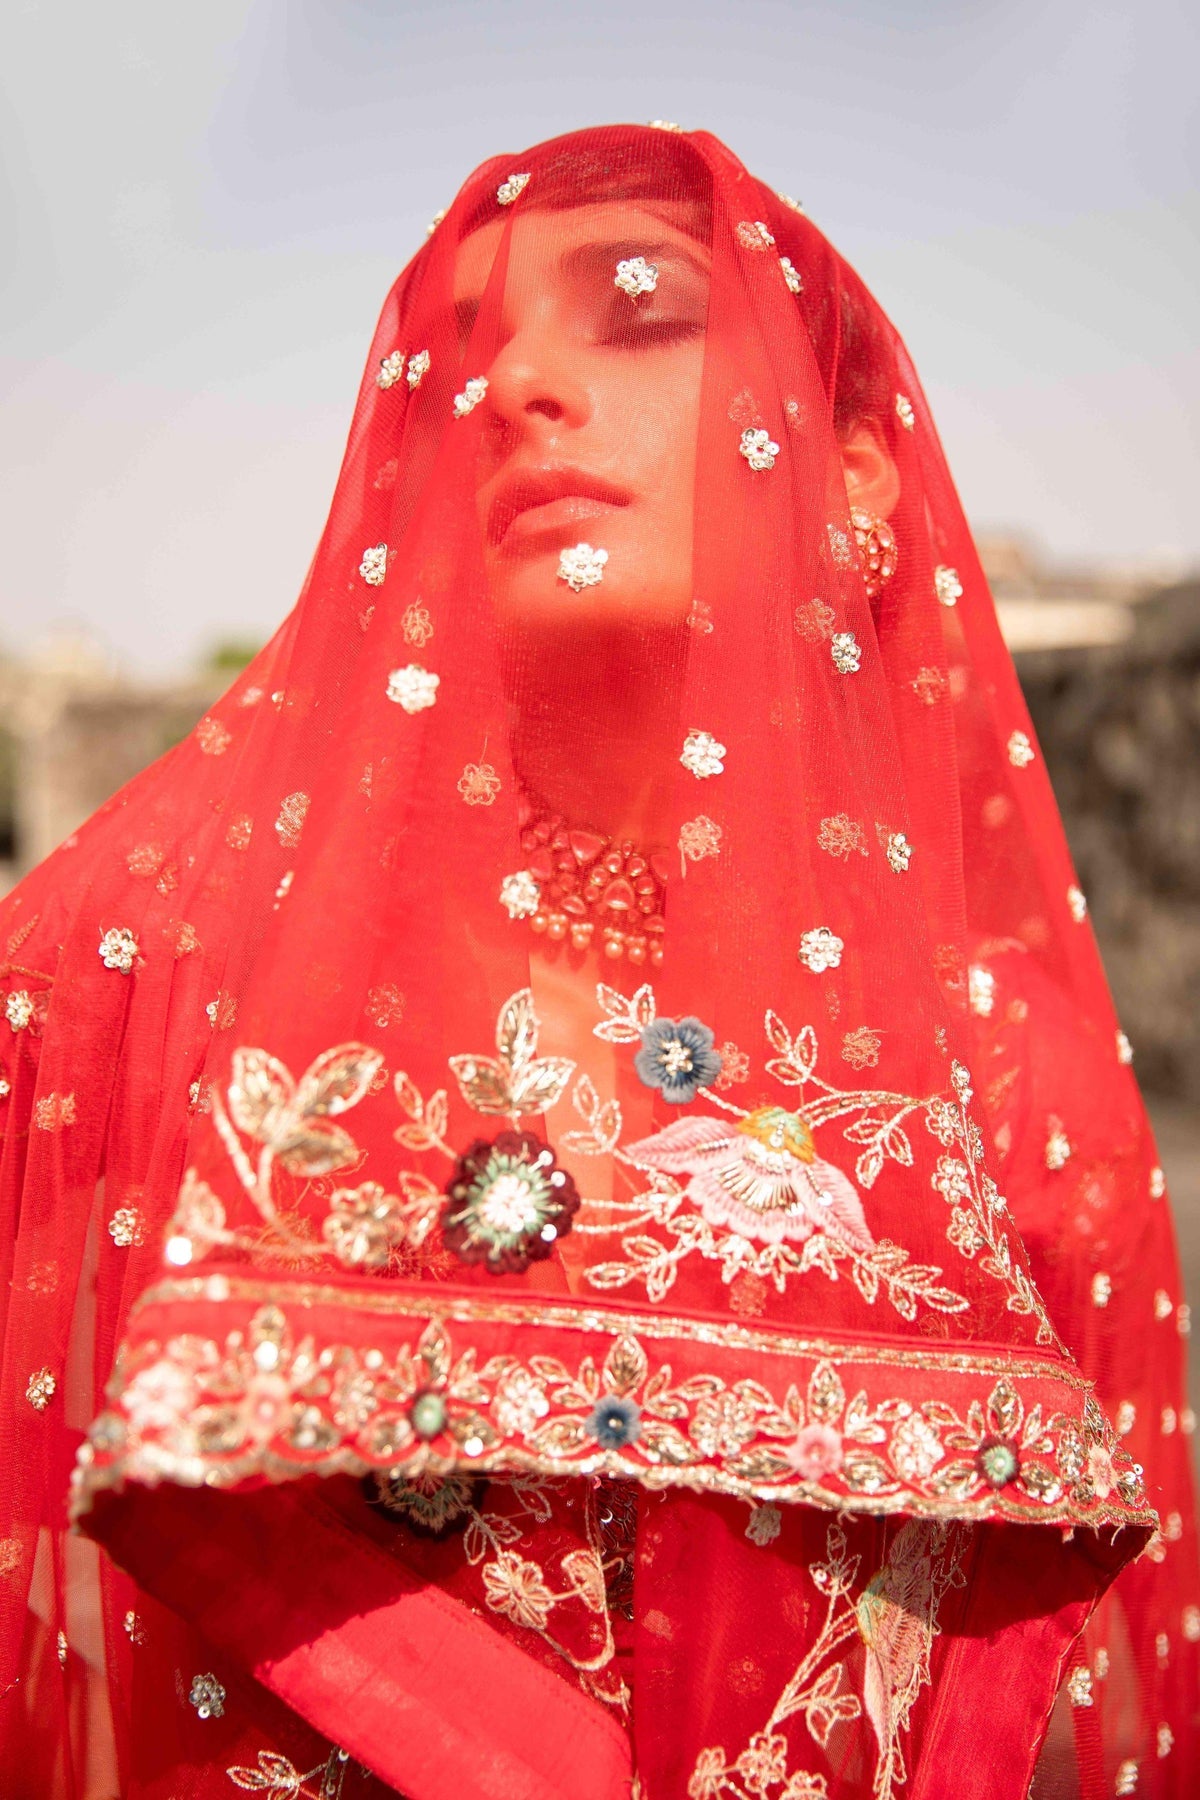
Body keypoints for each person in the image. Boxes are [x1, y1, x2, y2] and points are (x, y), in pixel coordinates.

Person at [0, 123, 1195, 1799]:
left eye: (637, 307)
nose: (515, 390)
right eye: (461, 363)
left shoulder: (1007, 1086)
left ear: (853, 481)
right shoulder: (153, 971)